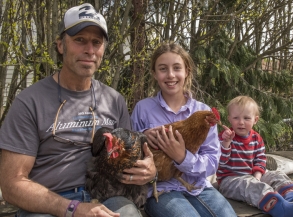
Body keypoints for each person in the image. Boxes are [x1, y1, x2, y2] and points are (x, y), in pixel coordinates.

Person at [0, 3, 156, 217]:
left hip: (106, 199)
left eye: (96, 42)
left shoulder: (114, 100)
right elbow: (12, 184)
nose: (89, 50)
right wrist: (72, 209)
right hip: (48, 204)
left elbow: (133, 162)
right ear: (61, 45)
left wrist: (150, 172)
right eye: (79, 40)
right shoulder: (29, 102)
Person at [131, 42, 236, 217]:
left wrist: (182, 157)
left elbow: (212, 161)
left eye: (177, 68)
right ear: (154, 73)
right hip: (161, 190)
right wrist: (141, 138)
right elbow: (128, 150)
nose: (170, 75)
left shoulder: (202, 112)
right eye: (163, 68)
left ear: (187, 71)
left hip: (197, 187)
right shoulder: (143, 109)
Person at [217, 96, 293, 217]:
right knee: (251, 186)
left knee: (275, 174)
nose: (241, 122)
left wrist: (258, 175)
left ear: (255, 120)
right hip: (230, 180)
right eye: (236, 118)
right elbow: (220, 161)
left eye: (246, 118)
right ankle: (280, 208)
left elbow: (260, 159)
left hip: (253, 175)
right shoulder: (225, 138)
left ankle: (291, 195)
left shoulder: (256, 138)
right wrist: (226, 143)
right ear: (229, 119)